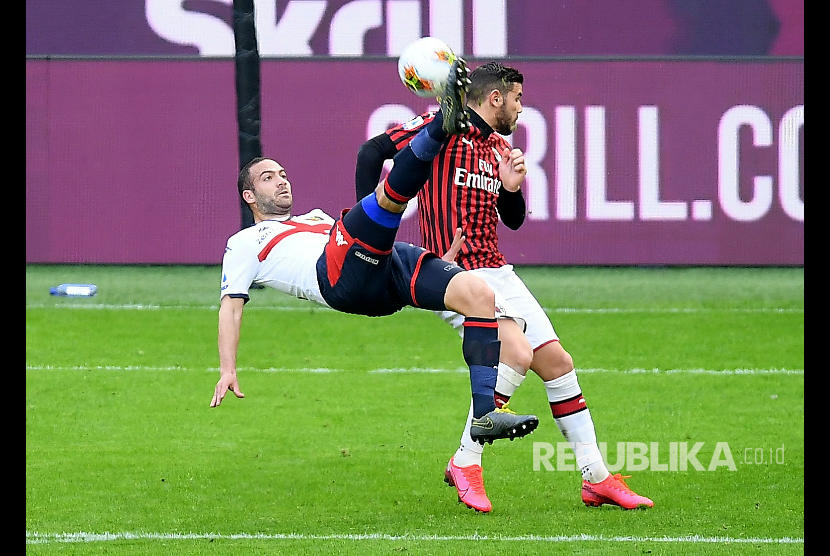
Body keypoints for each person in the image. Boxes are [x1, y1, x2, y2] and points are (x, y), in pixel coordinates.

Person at [355, 61, 653, 512]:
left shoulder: (498, 145)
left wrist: (511, 189)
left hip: (497, 268)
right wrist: (367, 236)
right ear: (495, 97)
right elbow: (370, 153)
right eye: (517, 99)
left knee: (557, 363)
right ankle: (466, 461)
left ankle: (596, 478)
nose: (520, 107)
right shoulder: (442, 128)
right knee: (516, 353)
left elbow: (511, 219)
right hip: (456, 275)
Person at [211, 58, 540, 460]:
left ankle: (484, 413)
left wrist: (440, 264)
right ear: (249, 197)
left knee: (476, 293)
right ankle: (443, 121)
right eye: (267, 177)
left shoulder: (314, 218)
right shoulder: (244, 241)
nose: (281, 179)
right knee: (383, 203)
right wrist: (228, 367)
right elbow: (231, 307)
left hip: (380, 271)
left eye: (282, 173)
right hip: (338, 277)